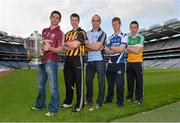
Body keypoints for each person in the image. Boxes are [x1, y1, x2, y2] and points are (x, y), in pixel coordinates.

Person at [31, 10, 64, 117]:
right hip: (41, 59)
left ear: (59, 20)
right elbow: (40, 45)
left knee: (53, 86)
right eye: (53, 17)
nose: (55, 19)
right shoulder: (44, 31)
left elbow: (60, 49)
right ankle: (40, 104)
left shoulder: (60, 33)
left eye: (57, 18)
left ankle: (53, 109)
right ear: (50, 18)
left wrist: (50, 48)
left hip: (51, 60)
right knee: (40, 85)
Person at [62, 13, 87, 113]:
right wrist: (69, 45)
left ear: (78, 21)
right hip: (68, 58)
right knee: (68, 82)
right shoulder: (67, 34)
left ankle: (79, 104)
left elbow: (76, 44)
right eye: (72, 20)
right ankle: (68, 102)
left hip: (78, 58)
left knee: (79, 82)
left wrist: (67, 44)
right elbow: (63, 47)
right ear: (70, 21)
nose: (74, 22)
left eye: (75, 20)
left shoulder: (82, 32)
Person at [85, 15, 107, 111]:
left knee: (101, 82)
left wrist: (90, 46)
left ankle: (99, 102)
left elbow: (97, 47)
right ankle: (89, 100)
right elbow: (84, 49)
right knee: (88, 82)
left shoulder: (103, 33)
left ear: (100, 22)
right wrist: (93, 46)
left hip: (100, 60)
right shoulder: (86, 33)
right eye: (93, 20)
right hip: (90, 61)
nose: (95, 22)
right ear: (91, 21)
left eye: (97, 21)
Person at [104, 17, 127, 108]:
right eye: (113, 24)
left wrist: (111, 47)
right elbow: (106, 51)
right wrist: (115, 49)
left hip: (120, 63)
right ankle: (109, 99)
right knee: (110, 84)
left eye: (116, 24)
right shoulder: (110, 37)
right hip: (110, 63)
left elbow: (121, 49)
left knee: (120, 83)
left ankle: (120, 101)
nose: (115, 26)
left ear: (120, 24)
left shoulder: (124, 35)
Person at [125, 21, 144, 105]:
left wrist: (129, 47)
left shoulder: (141, 37)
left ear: (137, 28)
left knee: (139, 82)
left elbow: (137, 51)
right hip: (129, 62)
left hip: (138, 62)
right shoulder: (127, 37)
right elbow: (125, 51)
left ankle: (139, 98)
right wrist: (132, 48)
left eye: (135, 27)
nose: (133, 29)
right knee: (130, 82)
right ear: (129, 28)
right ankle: (129, 96)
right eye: (131, 27)